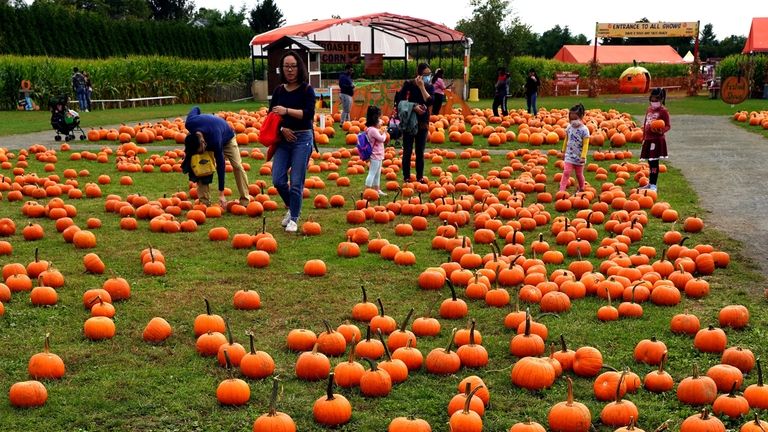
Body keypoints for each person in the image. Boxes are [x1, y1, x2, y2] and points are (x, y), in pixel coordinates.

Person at [269, 50, 316, 233]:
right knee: (278, 179)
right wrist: (282, 128)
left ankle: (294, 218)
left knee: (296, 181)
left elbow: (309, 114)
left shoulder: (306, 89)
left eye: (293, 66)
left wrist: (287, 111)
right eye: (286, 66)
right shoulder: (279, 90)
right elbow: (271, 115)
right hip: (283, 139)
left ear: (299, 68)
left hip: (302, 138)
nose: (289, 70)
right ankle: (292, 206)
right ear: (282, 68)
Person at [183, 106, 251, 207]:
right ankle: (204, 203)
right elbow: (196, 108)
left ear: (203, 142)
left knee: (237, 166)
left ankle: (245, 200)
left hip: (227, 138)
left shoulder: (215, 140)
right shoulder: (189, 123)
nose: (202, 153)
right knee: (201, 166)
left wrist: (221, 193)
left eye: (201, 151)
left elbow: (221, 166)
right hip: (209, 132)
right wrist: (203, 120)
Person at [394, 63, 433, 183]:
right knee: (407, 150)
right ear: (419, 75)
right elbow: (399, 100)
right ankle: (406, 177)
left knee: (420, 151)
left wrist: (422, 87)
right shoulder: (409, 85)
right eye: (426, 74)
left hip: (423, 122)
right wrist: (413, 107)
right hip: (409, 121)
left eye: (429, 74)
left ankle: (419, 177)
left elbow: (430, 101)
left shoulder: (429, 87)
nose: (428, 77)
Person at [639, 88, 670, 192]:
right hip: (648, 139)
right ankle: (650, 183)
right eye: (652, 99)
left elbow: (668, 126)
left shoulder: (663, 111)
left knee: (654, 162)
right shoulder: (649, 110)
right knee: (650, 162)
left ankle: (653, 185)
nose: (654, 102)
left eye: (656, 100)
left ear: (661, 100)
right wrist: (643, 137)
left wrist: (661, 131)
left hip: (656, 140)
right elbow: (645, 123)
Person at [559, 103, 590, 193]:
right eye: (571, 119)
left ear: (581, 117)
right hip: (569, 155)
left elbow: (585, 145)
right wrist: (563, 151)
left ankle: (582, 188)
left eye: (575, 119)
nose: (573, 121)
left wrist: (583, 156)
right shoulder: (569, 128)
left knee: (579, 174)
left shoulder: (584, 130)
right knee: (566, 172)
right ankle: (561, 190)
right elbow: (566, 139)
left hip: (579, 156)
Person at [363, 105, 387, 197]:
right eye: (378, 117)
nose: (380, 120)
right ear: (375, 119)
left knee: (377, 173)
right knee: (372, 173)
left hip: (379, 154)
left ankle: (377, 189)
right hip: (375, 155)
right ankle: (367, 190)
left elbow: (379, 129)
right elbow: (382, 139)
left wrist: (381, 127)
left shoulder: (372, 129)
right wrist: (384, 132)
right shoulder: (372, 130)